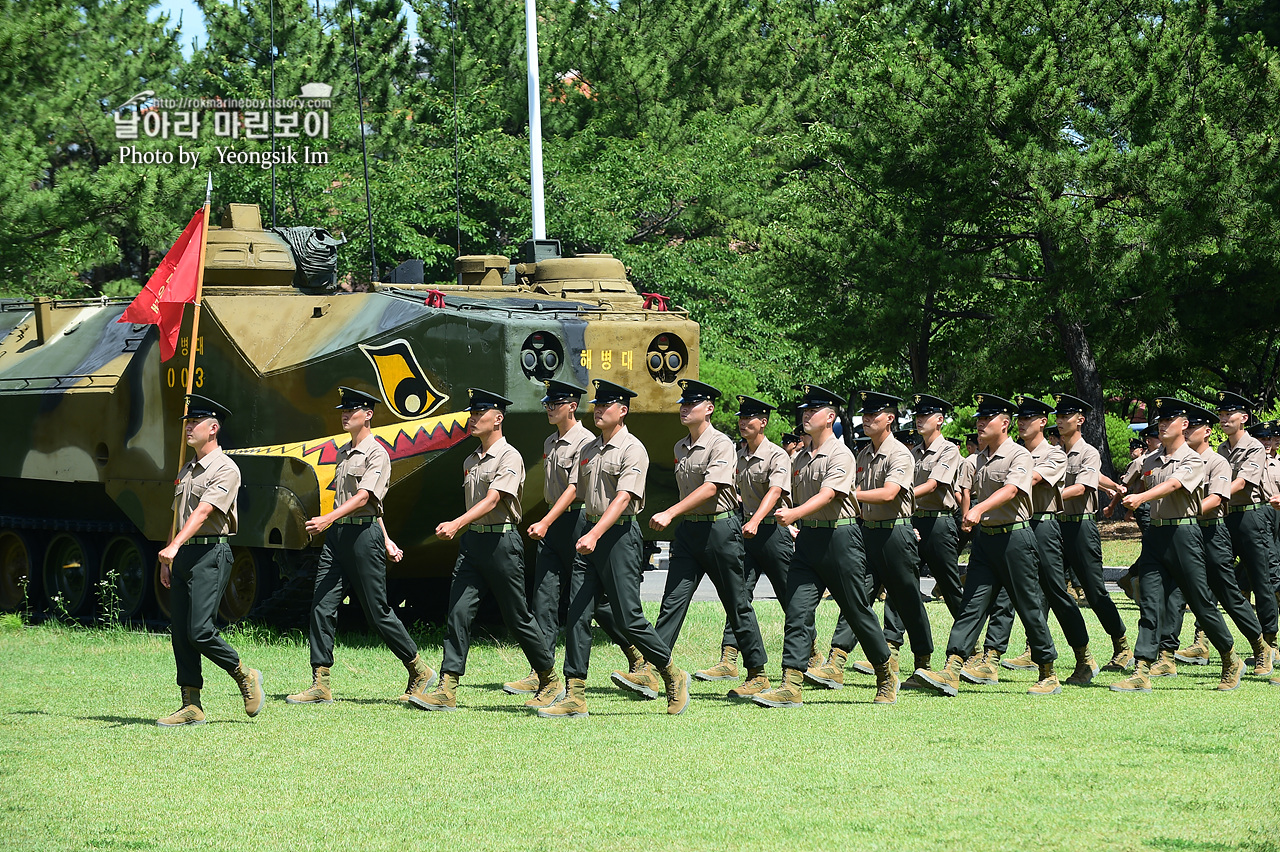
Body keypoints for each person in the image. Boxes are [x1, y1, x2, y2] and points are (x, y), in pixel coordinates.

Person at [539, 380, 690, 717]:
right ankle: (575, 693)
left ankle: (671, 673)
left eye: (606, 406)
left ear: (623, 411)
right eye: (596, 405)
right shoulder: (589, 449)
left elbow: (623, 499)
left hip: (619, 537)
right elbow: (579, 490)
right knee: (577, 613)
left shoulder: (633, 449)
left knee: (628, 617)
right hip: (588, 532)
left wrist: (595, 535)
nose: (599, 410)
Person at [410, 388, 559, 710]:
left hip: (501, 543)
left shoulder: (510, 457)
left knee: (517, 616)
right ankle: (447, 688)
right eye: (472, 413)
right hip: (474, 543)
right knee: (459, 612)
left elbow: (494, 499)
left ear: (498, 418)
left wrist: (456, 523)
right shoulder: (470, 460)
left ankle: (548, 678)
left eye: (480, 413)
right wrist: (464, 528)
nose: (473, 418)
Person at [287, 387, 435, 706]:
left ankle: (418, 669)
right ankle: (320, 682)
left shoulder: (376, 453)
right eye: (343, 409)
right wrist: (385, 537)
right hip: (339, 538)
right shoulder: (343, 452)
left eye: (352, 409)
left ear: (367, 414)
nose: (344, 414)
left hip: (362, 537)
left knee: (377, 612)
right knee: (321, 605)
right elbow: (360, 502)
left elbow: (366, 498)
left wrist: (329, 519)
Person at [752, 385, 898, 708]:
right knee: (798, 610)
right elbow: (791, 493)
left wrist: (793, 515)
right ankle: (791, 682)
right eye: (804, 409)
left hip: (840, 538)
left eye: (813, 410)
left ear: (830, 417)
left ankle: (885, 673)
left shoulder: (841, 454)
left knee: (857, 611)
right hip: (808, 540)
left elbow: (828, 495)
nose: (806, 414)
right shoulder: (799, 457)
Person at [914, 394, 1062, 697]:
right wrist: (972, 515)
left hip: (1015, 539)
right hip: (986, 541)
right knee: (971, 605)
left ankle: (1047, 671)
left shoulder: (1019, 455)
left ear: (1005, 424)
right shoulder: (976, 460)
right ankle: (953, 667)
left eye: (988, 419)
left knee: (1028, 605)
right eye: (979, 418)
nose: (980, 423)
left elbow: (1011, 490)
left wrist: (979, 510)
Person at [504, 381, 642, 697]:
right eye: (547, 403)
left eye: (555, 403)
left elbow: (574, 489)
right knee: (544, 597)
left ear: (571, 405)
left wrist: (546, 520)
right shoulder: (551, 441)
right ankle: (541, 671)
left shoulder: (586, 442)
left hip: (576, 520)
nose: (549, 408)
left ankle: (635, 652)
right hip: (553, 522)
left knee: (593, 602)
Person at [1112, 397, 1243, 692]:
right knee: (1150, 601)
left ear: (1184, 425)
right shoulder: (1150, 459)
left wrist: (1142, 498)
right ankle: (1142, 668)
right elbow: (1134, 480)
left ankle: (1229, 658)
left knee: (1200, 601)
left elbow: (1173, 486)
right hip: (1156, 536)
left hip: (1184, 535)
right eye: (1160, 420)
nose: (1162, 425)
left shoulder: (1193, 459)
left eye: (1168, 421)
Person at [650, 380, 769, 699]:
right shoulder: (680, 447)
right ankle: (652, 669)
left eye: (692, 404)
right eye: (682, 404)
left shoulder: (722, 445)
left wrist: (670, 512)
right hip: (689, 531)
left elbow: (712, 487)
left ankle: (757, 673)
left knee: (736, 601)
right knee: (672, 601)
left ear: (709, 409)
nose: (684, 408)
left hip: (720, 529)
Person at [969, 395, 1099, 686]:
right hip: (1013, 526)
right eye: (1020, 418)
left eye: (1029, 418)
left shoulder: (1054, 454)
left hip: (1043, 525)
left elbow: (1029, 481)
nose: (1023, 423)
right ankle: (991, 658)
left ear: (1042, 421)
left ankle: (1083, 656)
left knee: (1056, 593)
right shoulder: (1005, 452)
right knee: (1004, 595)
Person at [156, 395, 264, 727]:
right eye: (186, 422)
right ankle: (191, 705)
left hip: (211, 553)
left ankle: (243, 673)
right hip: (184, 553)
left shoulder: (225, 468)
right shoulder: (187, 469)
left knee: (200, 631)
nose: (188, 427)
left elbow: (204, 513)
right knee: (180, 632)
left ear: (213, 428)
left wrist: (174, 546)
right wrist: (168, 554)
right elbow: (180, 516)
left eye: (195, 422)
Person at [1163, 406, 1270, 675]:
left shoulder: (1217, 459)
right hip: (1187, 532)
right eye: (1184, 428)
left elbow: (1226, 491)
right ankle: (1167, 654)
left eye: (1192, 427)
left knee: (1230, 593)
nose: (1185, 432)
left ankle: (1262, 647)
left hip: (1214, 529)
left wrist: (1190, 508)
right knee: (1178, 592)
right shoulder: (1181, 458)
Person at [696, 395, 793, 692]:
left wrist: (755, 520)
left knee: (790, 597)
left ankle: (810, 654)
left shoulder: (777, 455)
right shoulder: (736, 454)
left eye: (749, 418)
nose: (742, 422)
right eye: (740, 417)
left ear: (763, 422)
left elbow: (775, 492)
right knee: (738, 595)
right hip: (743, 532)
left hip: (771, 532)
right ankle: (729, 658)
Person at [1053, 393, 1133, 671]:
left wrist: (1046, 498)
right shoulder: (1056, 452)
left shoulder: (1088, 451)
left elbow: (1083, 486)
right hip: (1056, 526)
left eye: (1066, 416)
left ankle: (1121, 644)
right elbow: (1095, 478)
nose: (1060, 420)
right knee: (1048, 588)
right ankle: (1033, 649)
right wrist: (1111, 486)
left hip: (1080, 526)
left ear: (1080, 419)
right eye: (1058, 416)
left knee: (1094, 590)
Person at [1215, 392, 1279, 658]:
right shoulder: (1220, 449)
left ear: (1244, 417)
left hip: (1251, 517)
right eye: (1221, 415)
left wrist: (1215, 496)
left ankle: (1270, 643)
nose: (1224, 419)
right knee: (1216, 576)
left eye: (1229, 414)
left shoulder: (1254, 447)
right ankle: (1202, 640)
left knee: (1261, 581)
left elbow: (1242, 483)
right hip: (1225, 516)